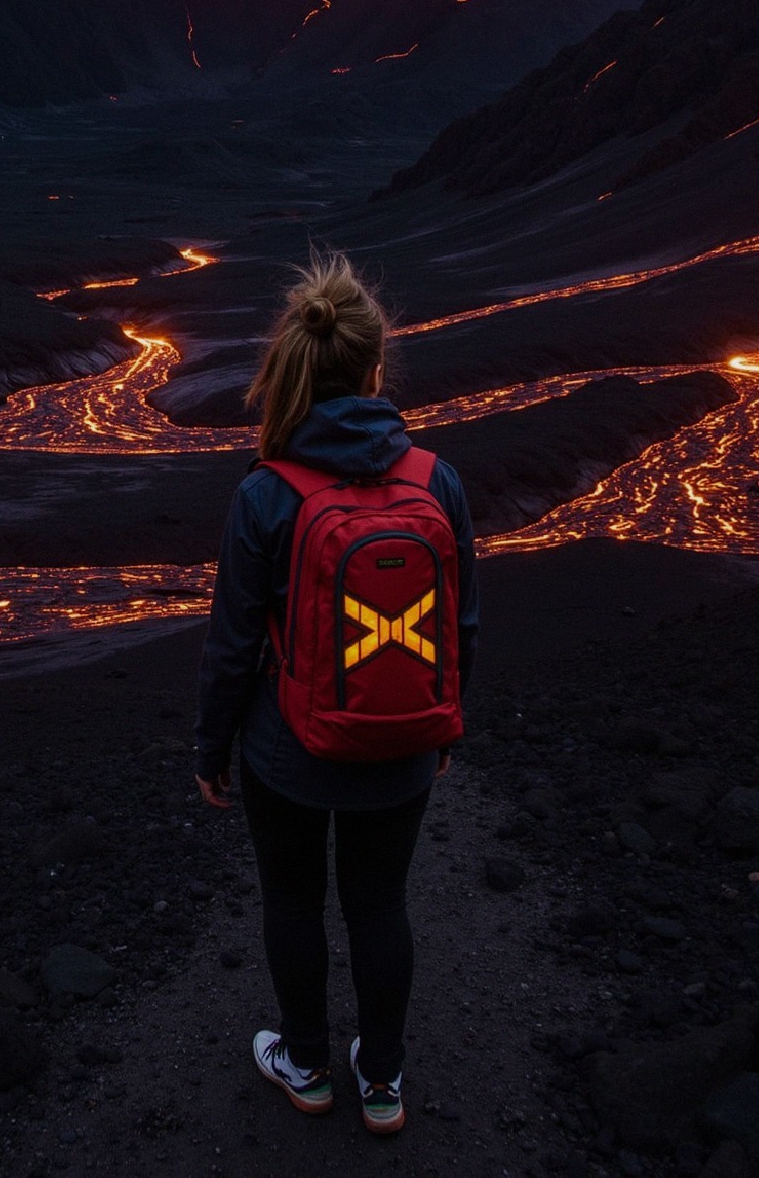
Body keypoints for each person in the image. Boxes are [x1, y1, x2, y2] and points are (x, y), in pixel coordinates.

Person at [193, 252, 479, 1136]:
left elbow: (234, 643)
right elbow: (462, 626)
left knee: (291, 899)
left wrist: (212, 751)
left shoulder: (265, 493)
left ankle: (309, 1066)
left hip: (288, 750)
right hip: (401, 746)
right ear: (374, 369)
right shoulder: (438, 481)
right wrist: (442, 729)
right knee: (380, 903)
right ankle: (383, 1081)